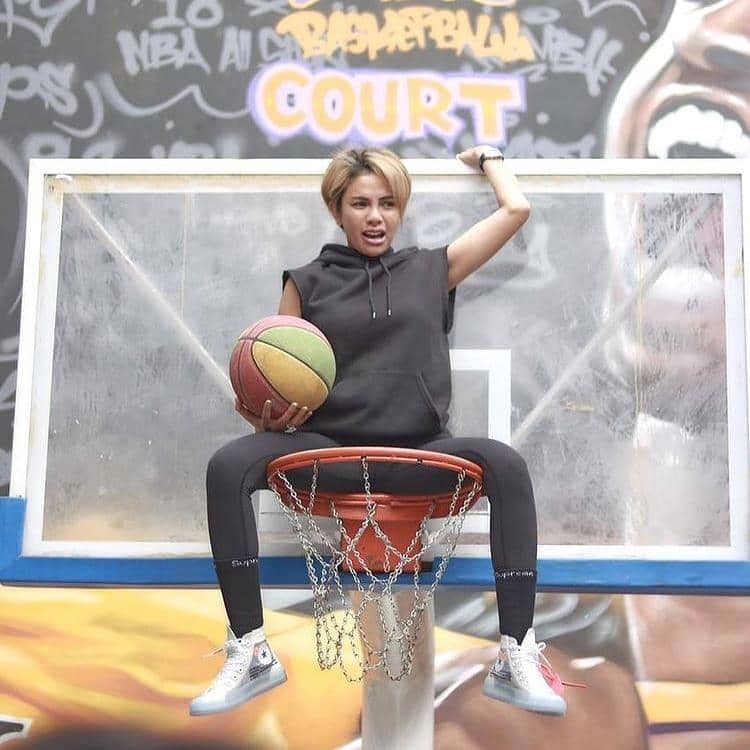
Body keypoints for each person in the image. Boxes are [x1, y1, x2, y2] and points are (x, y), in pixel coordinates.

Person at [189, 145, 567, 717]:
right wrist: (266, 415)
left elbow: (516, 210)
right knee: (227, 465)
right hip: (329, 452)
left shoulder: (432, 269)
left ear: (401, 210)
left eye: (388, 204)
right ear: (336, 210)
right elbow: (278, 375)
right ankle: (250, 647)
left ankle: (516, 652)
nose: (375, 216)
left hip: (419, 454)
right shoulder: (305, 284)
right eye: (361, 204)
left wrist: (488, 158)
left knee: (506, 464)